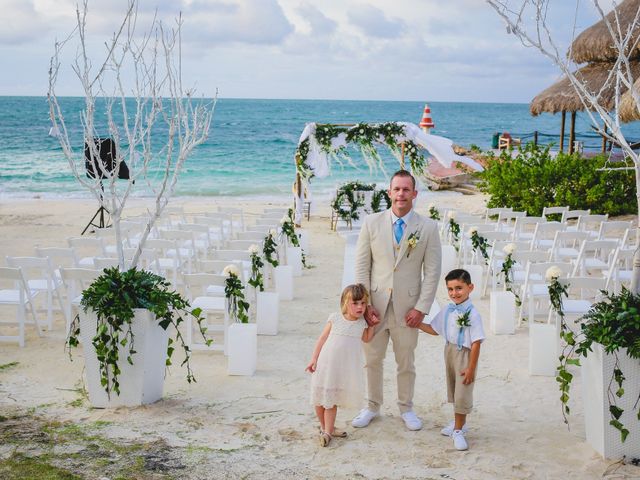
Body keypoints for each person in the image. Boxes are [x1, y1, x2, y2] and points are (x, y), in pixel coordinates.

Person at [352, 169, 441, 431]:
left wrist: (421, 308)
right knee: (372, 359)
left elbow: (433, 272)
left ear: (414, 193)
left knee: (406, 361)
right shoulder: (371, 223)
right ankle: (371, 406)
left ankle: (406, 408)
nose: (401, 194)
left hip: (408, 310)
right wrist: (365, 305)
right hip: (375, 308)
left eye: (406, 189)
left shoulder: (428, 227)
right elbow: (361, 267)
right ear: (389, 192)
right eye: (396, 189)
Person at [419, 269, 485, 451]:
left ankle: (458, 430)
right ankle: (460, 424)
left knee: (463, 391)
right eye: (450, 289)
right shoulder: (448, 309)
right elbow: (435, 329)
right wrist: (417, 323)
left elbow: (477, 342)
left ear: (470, 288)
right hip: (449, 351)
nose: (454, 293)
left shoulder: (473, 314)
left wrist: (471, 368)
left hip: (465, 354)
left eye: (459, 288)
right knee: (455, 389)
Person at [306, 284, 376, 447]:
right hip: (325, 364)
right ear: (345, 303)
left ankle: (328, 433)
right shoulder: (335, 318)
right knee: (318, 399)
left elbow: (366, 339)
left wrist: (372, 324)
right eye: (355, 303)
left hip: (341, 369)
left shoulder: (361, 323)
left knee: (331, 401)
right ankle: (326, 428)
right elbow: (322, 339)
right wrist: (313, 359)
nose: (360, 307)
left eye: (363, 303)